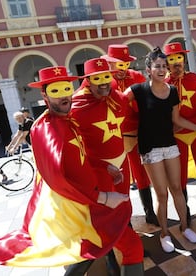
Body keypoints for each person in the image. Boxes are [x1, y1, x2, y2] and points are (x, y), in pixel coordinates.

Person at [0, 66, 144, 276]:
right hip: (75, 209)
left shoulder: (65, 120)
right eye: (56, 90)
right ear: (44, 95)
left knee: (90, 251)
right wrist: (104, 198)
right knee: (113, 247)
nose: (63, 96)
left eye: (66, 88)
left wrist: (104, 166)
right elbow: (59, 179)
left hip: (86, 203)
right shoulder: (48, 129)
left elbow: (80, 157)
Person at [123, 47, 196, 253]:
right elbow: (117, 103)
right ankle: (164, 234)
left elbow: (177, 119)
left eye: (164, 66)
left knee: (177, 189)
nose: (162, 70)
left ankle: (185, 226)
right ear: (149, 69)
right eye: (158, 66)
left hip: (170, 146)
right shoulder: (138, 90)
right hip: (150, 150)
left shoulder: (172, 91)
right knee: (161, 195)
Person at [70, 58, 144, 274]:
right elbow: (71, 147)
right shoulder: (76, 106)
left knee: (123, 210)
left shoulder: (116, 97)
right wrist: (99, 166)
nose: (104, 84)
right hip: (98, 172)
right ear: (87, 81)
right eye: (97, 79)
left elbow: (130, 105)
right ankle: (113, 263)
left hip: (122, 164)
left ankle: (125, 253)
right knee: (103, 223)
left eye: (106, 78)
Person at [103, 44, 159, 226]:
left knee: (142, 175)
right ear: (109, 63)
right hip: (112, 139)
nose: (122, 69)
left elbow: (149, 103)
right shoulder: (102, 82)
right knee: (119, 179)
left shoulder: (137, 78)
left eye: (125, 64)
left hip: (136, 135)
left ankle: (150, 211)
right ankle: (124, 221)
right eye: (118, 64)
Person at [164, 42, 196, 225]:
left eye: (179, 58)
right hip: (175, 137)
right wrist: (170, 128)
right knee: (180, 177)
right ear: (166, 63)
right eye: (171, 59)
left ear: (184, 59)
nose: (175, 62)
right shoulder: (162, 85)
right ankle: (184, 211)